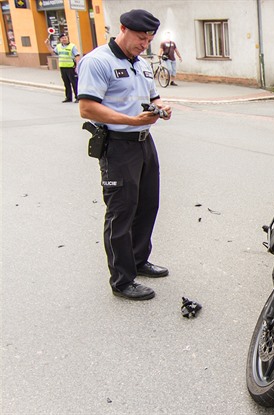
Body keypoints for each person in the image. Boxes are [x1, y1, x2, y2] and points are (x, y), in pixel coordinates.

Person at [77, 9, 173, 301]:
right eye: (140, 38)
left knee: (147, 205)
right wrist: (131, 121)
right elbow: (87, 107)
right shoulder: (98, 61)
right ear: (122, 29)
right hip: (118, 145)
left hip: (144, 142)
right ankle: (122, 279)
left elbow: (152, 96)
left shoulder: (142, 64)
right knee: (121, 211)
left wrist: (162, 107)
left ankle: (139, 260)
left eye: (148, 40)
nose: (144, 44)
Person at [44, 34, 80, 103]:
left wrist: (77, 66)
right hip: (63, 67)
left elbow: (77, 56)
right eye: (62, 38)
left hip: (71, 67)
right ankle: (68, 97)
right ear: (60, 40)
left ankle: (78, 97)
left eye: (65, 38)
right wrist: (47, 45)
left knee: (74, 83)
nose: (64, 39)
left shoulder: (72, 46)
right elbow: (53, 52)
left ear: (68, 38)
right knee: (66, 83)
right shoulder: (58, 46)